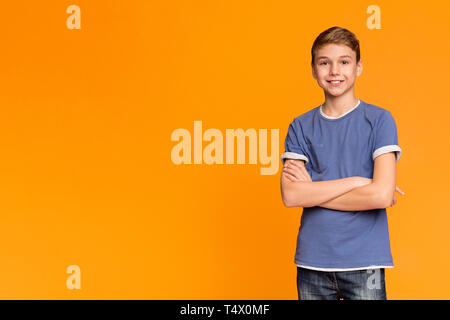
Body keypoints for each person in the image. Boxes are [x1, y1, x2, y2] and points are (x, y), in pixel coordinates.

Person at [280, 26, 404, 300]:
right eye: (325, 63)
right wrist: (359, 182)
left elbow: (381, 195)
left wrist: (313, 192)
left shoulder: (380, 121)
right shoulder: (300, 127)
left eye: (344, 62)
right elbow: (291, 195)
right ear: (313, 70)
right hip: (312, 261)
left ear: (358, 67)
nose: (335, 71)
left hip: (365, 262)